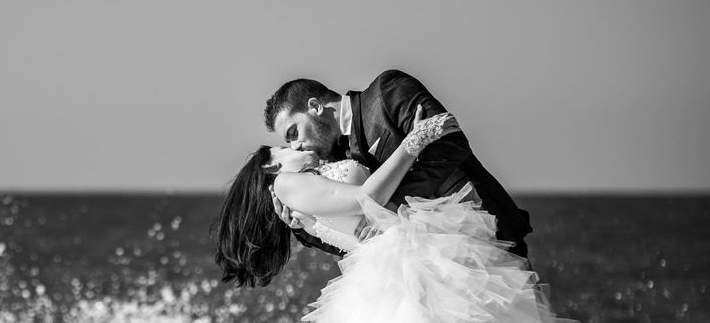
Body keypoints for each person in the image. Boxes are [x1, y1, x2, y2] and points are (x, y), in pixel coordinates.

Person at [214, 108, 571, 322]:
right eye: (284, 147)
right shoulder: (285, 184)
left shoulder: (302, 197)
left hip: (403, 258)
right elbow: (366, 197)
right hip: (399, 266)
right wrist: (413, 142)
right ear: (271, 165)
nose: (297, 147)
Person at [264, 70, 533, 257]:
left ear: (315, 106)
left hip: (485, 233)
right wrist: (305, 228)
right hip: (423, 265)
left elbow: (450, 143)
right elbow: (359, 238)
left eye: (293, 133)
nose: (295, 147)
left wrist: (391, 208)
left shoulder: (386, 91)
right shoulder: (335, 159)